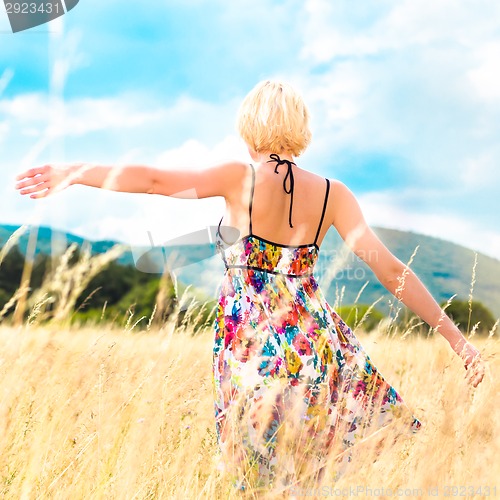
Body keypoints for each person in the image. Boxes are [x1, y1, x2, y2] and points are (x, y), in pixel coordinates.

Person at [14, 80, 485, 492]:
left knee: (259, 484)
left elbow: (155, 180)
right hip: (318, 351)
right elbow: (391, 271)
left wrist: (73, 173)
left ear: (248, 126)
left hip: (254, 353)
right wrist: (457, 339)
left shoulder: (238, 179)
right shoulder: (333, 194)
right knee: (311, 479)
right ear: (300, 127)